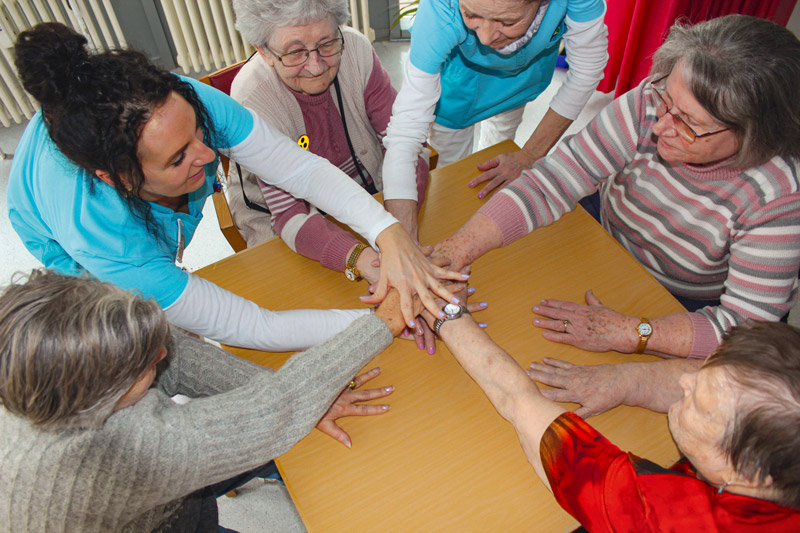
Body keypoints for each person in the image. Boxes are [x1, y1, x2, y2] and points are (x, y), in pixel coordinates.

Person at [6, 23, 467, 353]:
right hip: (74, 244)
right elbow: (254, 325)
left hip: (136, 199)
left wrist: (388, 233)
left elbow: (299, 170)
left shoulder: (173, 100)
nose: (209, 156)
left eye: (199, 132)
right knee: (145, 332)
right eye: (178, 158)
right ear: (118, 178)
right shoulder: (107, 240)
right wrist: (382, 320)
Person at [435, 15, 800, 359]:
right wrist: (455, 250)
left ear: (754, 135)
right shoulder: (652, 100)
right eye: (667, 101)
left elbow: (743, 328)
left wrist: (633, 333)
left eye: (689, 125)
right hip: (604, 233)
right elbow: (555, 179)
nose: (660, 126)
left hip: (681, 298)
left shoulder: (779, 196)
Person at [0, 270, 415, 531]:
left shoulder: (49, 370)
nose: (162, 353)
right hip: (159, 521)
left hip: (156, 493)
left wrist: (310, 397)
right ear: (103, 399)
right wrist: (383, 323)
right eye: (145, 363)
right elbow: (275, 408)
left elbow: (175, 354)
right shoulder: (125, 453)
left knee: (308, 443)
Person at [423, 285, 800, 531]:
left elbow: (520, 402)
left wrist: (444, 311)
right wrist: (626, 380)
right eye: (702, 370)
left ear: (748, 474)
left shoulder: (666, 518)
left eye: (700, 406)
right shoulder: (779, 463)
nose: (684, 382)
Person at [229, 0, 431, 288]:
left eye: (326, 43)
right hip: (288, 226)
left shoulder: (355, 48)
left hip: (371, 203)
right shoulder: (252, 98)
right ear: (264, 52)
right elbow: (289, 214)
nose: (315, 67)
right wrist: (368, 260)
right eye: (295, 52)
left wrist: (400, 233)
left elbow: (407, 142)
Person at [381, 0, 608, 235]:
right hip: (458, 86)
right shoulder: (438, 10)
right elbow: (406, 129)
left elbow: (587, 69)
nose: (486, 38)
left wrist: (529, 155)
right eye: (471, 15)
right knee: (451, 172)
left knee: (499, 150)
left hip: (521, 79)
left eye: (507, 22)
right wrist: (402, 234)